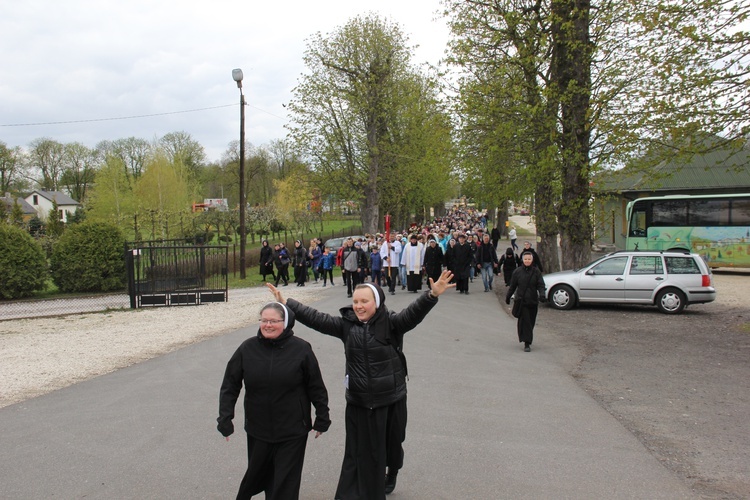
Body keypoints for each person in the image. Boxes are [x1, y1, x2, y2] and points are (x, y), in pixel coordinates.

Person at [266, 271, 455, 499]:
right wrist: (287, 303)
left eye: (364, 301)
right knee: (361, 452)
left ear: (377, 302)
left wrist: (431, 295)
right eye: (355, 301)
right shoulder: (346, 326)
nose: (359, 306)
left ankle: (392, 470)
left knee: (393, 444)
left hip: (391, 398)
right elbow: (317, 318)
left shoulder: (392, 323)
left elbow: (412, 314)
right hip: (360, 401)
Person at [217, 302, 331, 500]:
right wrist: (225, 418)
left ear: (285, 323)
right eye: (264, 320)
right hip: (258, 429)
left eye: (273, 321)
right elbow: (230, 385)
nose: (268, 325)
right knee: (258, 476)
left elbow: (316, 387)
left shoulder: (301, 349)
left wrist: (322, 417)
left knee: (285, 485)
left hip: (292, 429)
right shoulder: (247, 348)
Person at [505, 251, 546, 352]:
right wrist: (508, 296)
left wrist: (542, 295)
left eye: (529, 259)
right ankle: (527, 343)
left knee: (531, 322)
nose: (527, 261)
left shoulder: (536, 272)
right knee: (525, 321)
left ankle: (527, 337)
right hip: (521, 301)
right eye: (525, 259)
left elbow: (541, 285)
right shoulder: (517, 272)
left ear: (532, 260)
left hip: (533, 301)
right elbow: (513, 286)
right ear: (522, 260)